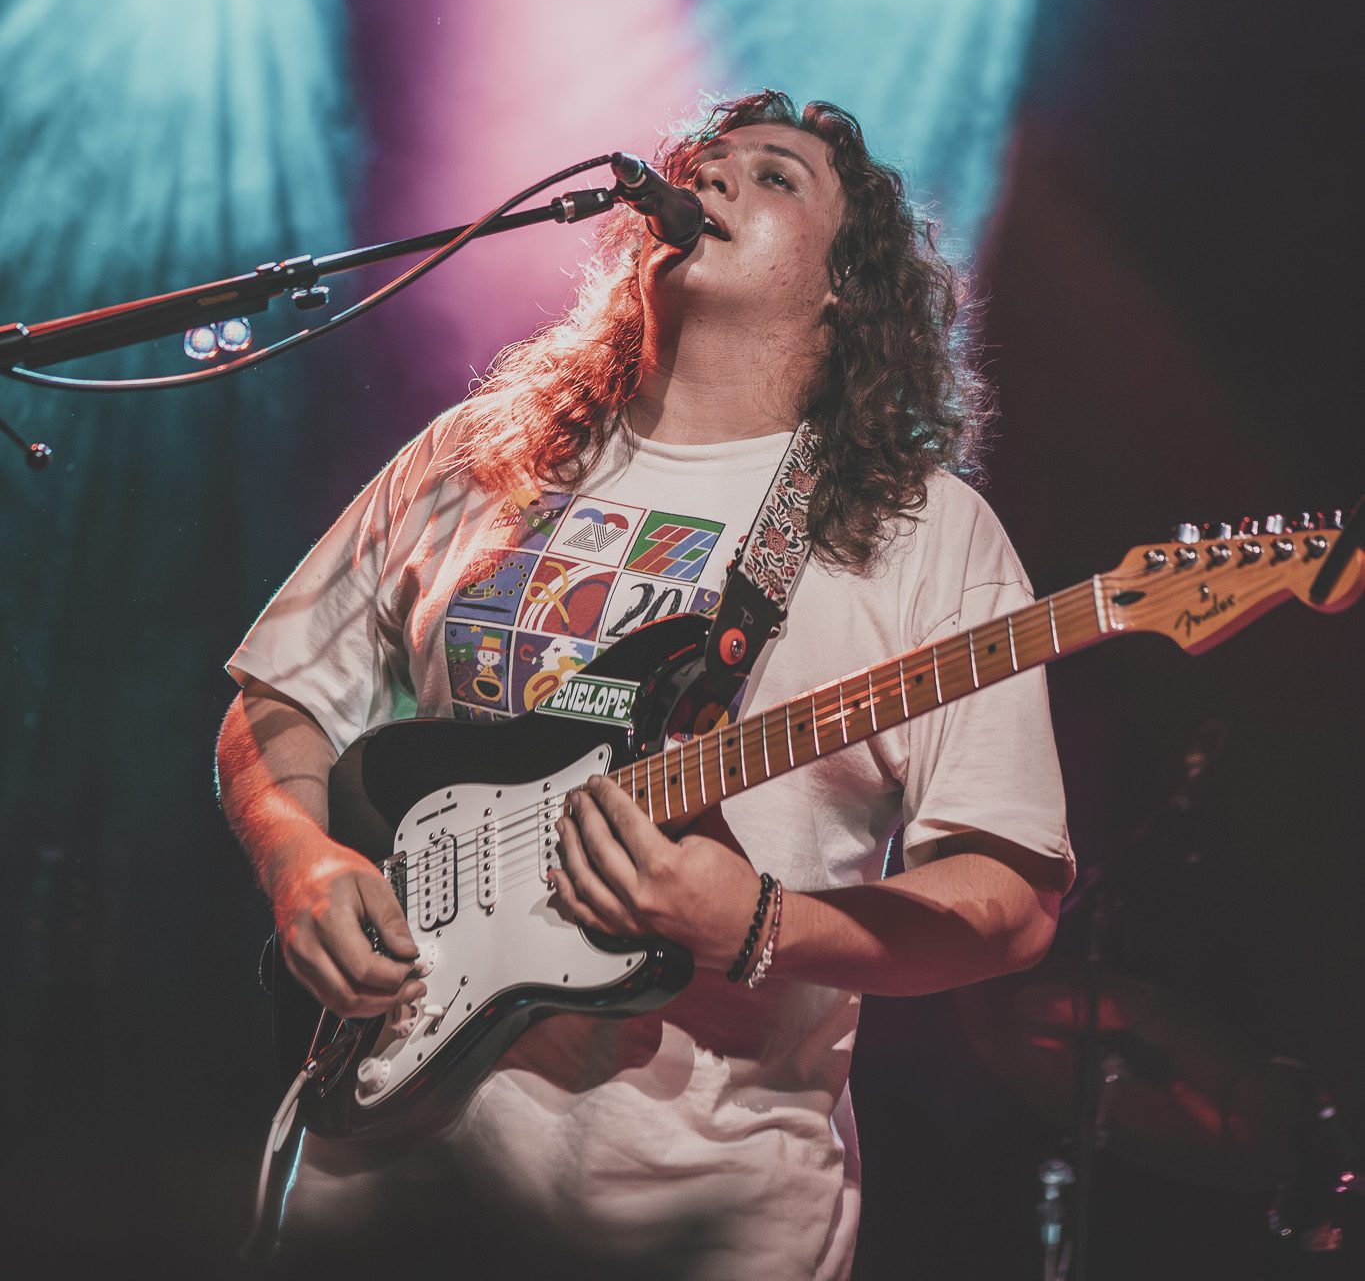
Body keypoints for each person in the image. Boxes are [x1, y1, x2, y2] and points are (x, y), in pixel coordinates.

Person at [216, 89, 1074, 1280]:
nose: (712, 177)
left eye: (773, 175)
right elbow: (278, 698)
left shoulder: (922, 530)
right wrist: (300, 859)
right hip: (366, 1181)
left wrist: (762, 923)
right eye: (704, 159)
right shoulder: (480, 454)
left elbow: (1010, 896)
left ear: (846, 284)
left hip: (690, 1211)